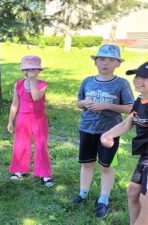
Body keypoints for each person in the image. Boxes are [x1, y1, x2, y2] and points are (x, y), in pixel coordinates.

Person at [73, 44, 134, 218]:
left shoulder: (121, 83)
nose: (105, 63)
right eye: (101, 59)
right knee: (87, 163)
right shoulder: (87, 81)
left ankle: (103, 199)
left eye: (110, 60)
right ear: (95, 62)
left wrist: (105, 105)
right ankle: (83, 193)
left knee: (106, 166)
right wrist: (85, 103)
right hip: (87, 128)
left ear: (118, 64)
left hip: (109, 133)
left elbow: (130, 108)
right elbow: (78, 102)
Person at [101, 62, 148, 225]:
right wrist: (108, 135)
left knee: (146, 201)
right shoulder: (140, 101)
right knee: (133, 191)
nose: (138, 80)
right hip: (145, 156)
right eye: (137, 76)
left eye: (145, 77)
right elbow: (127, 123)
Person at [7, 55, 54, 187]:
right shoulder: (18, 84)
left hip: (38, 118)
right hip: (23, 117)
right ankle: (19, 169)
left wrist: (33, 82)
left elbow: (35, 97)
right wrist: (10, 121)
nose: (30, 72)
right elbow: (15, 104)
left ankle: (45, 174)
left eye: (34, 69)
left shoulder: (42, 85)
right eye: (27, 69)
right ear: (23, 71)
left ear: (39, 71)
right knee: (21, 144)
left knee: (41, 145)